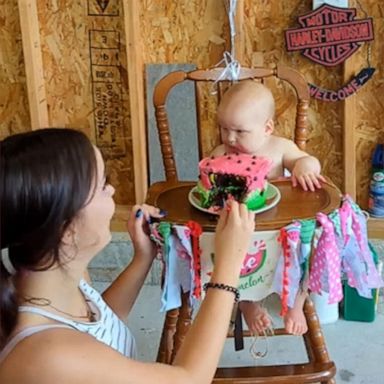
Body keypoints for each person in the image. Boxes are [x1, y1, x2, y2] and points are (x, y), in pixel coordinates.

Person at [0, 128, 255, 383]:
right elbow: (190, 379)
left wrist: (142, 257)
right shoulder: (48, 357)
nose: (112, 190)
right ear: (65, 230)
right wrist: (228, 264)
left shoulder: (50, 276)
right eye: (102, 185)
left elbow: (102, 326)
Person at [211, 81, 326, 336]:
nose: (230, 138)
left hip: (283, 230)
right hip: (245, 230)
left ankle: (296, 304)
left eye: (240, 131)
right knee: (229, 255)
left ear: (267, 128)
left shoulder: (280, 148)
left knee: (308, 250)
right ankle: (247, 302)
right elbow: (209, 184)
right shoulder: (222, 152)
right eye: (224, 129)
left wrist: (305, 166)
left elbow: (305, 160)